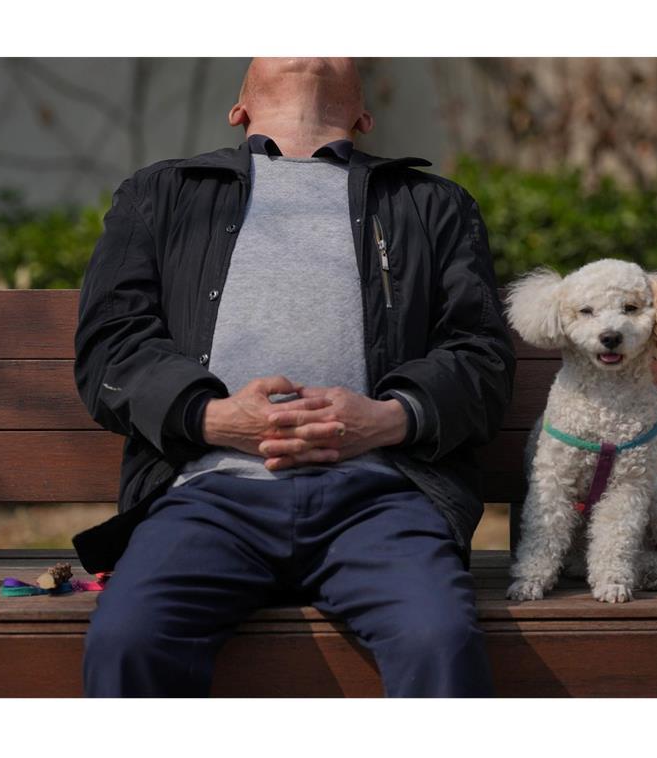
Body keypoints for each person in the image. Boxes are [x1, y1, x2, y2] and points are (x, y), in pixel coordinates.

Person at [72, 57, 516, 697]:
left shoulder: (430, 204)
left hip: (380, 499)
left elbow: (480, 356)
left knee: (438, 640)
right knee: (127, 641)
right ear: (238, 109)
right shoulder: (163, 193)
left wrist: (387, 420)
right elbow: (110, 347)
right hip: (208, 495)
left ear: (365, 116)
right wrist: (214, 418)